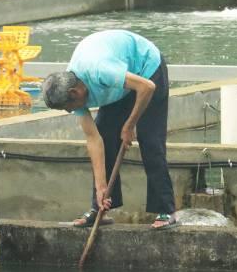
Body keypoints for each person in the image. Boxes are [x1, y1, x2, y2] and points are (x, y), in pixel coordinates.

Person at [40, 29, 177, 230]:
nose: (71, 111)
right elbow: (93, 139)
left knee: (150, 140)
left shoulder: (100, 70)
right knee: (105, 134)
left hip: (147, 70)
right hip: (118, 85)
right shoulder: (72, 89)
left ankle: (167, 210)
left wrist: (129, 125)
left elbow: (146, 87)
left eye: (70, 107)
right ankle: (100, 208)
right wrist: (101, 186)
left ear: (75, 92)